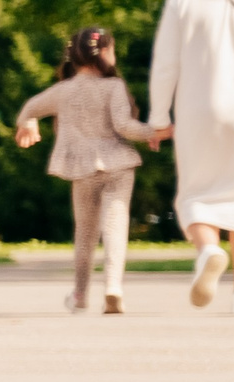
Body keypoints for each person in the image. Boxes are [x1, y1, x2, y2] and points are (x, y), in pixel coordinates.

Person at [147, 0, 234, 315]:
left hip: (200, 110)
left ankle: (209, 249)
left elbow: (165, 65)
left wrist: (159, 118)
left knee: (197, 194)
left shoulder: (183, 0)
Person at [16, 26, 164, 315]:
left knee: (84, 234)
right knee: (115, 225)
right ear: (105, 53)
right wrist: (154, 132)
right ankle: (113, 286)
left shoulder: (63, 91)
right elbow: (124, 126)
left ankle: (81, 294)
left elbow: (30, 108)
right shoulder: (114, 87)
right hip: (118, 166)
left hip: (81, 168)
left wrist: (29, 123)